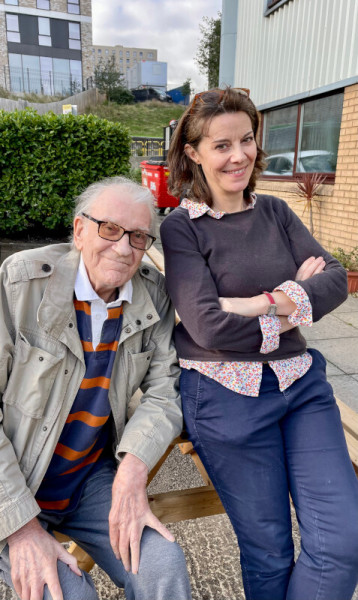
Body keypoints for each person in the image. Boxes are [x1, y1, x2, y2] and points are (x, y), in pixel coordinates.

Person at [160, 87, 358, 600]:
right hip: (227, 397)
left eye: (246, 140)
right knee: (268, 551)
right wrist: (294, 303)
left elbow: (335, 279)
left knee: (343, 539)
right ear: (193, 153)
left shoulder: (275, 211)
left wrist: (259, 301)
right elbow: (207, 326)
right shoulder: (182, 228)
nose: (238, 155)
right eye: (221, 144)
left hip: (301, 387)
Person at [0, 176, 192, 600]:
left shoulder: (153, 296)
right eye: (110, 229)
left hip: (87, 478)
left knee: (163, 564)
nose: (124, 248)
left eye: (138, 237)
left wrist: (133, 468)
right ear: (79, 230)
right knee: (69, 593)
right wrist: (20, 527)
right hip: (13, 487)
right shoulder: (20, 283)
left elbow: (164, 390)